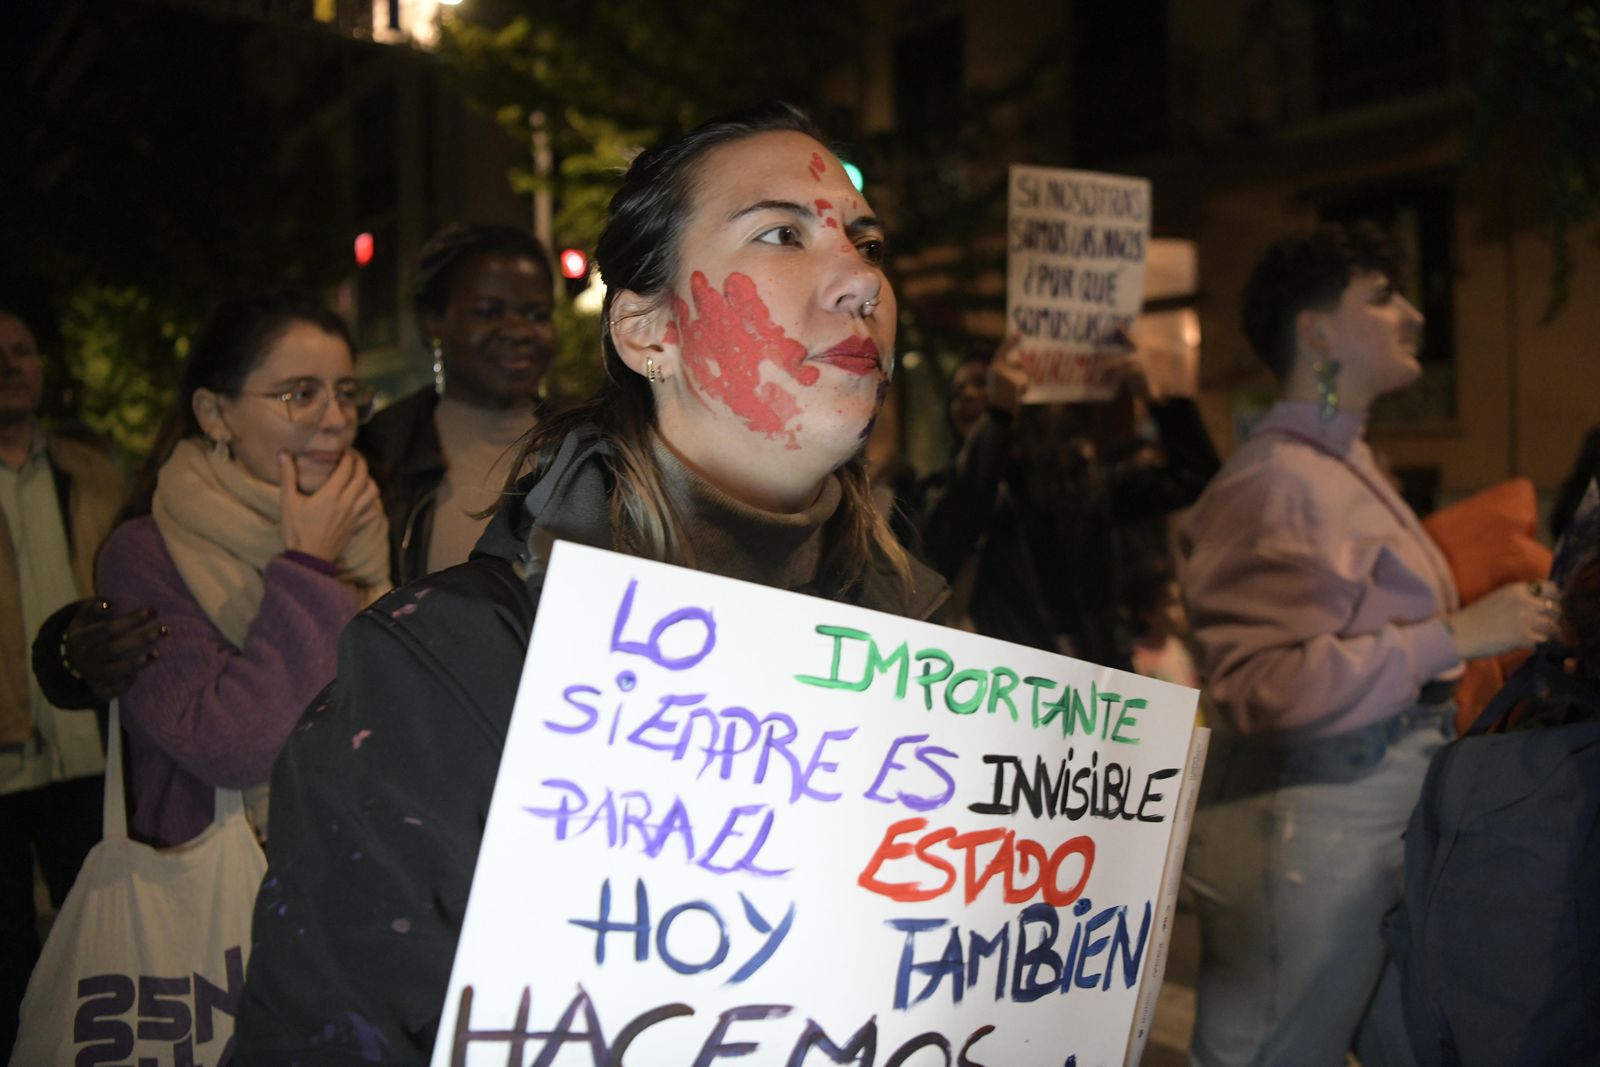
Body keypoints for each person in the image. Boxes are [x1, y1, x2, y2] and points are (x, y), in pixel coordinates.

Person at [235, 102, 948, 1062]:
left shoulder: (938, 677)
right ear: (646, 331)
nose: (863, 278)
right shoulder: (437, 675)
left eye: (867, 242)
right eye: (781, 232)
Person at [1177, 223, 1562, 1067]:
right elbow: (1261, 685)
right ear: (1317, 332)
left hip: (1359, 814)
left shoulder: (1336, 463)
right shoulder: (1279, 479)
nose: (1413, 314)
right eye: (1382, 297)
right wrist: (1454, 635)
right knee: (1275, 1050)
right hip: (1312, 822)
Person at [93, 291, 390, 849]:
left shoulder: (365, 519)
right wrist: (308, 568)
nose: (336, 421)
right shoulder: (144, 554)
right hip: (225, 893)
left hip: (360, 863)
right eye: (301, 394)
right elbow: (232, 746)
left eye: (346, 393)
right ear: (214, 414)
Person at [916, 335, 1218, 667]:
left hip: (1095, 679)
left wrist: (1163, 402)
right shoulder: (941, 494)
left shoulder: (1077, 484)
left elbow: (1193, 477)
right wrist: (997, 420)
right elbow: (953, 529)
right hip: (1009, 687)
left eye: (984, 382)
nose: (969, 395)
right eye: (957, 391)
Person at [0, 301, 132, 1058]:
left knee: (94, 931)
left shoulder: (89, 471)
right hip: (4, 748)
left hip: (86, 746)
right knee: (7, 947)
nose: (11, 363)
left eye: (22, 348)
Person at [360, 223, 556, 585]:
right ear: (434, 320)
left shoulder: (592, 444)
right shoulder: (379, 453)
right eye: (488, 312)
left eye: (536, 315)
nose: (517, 331)